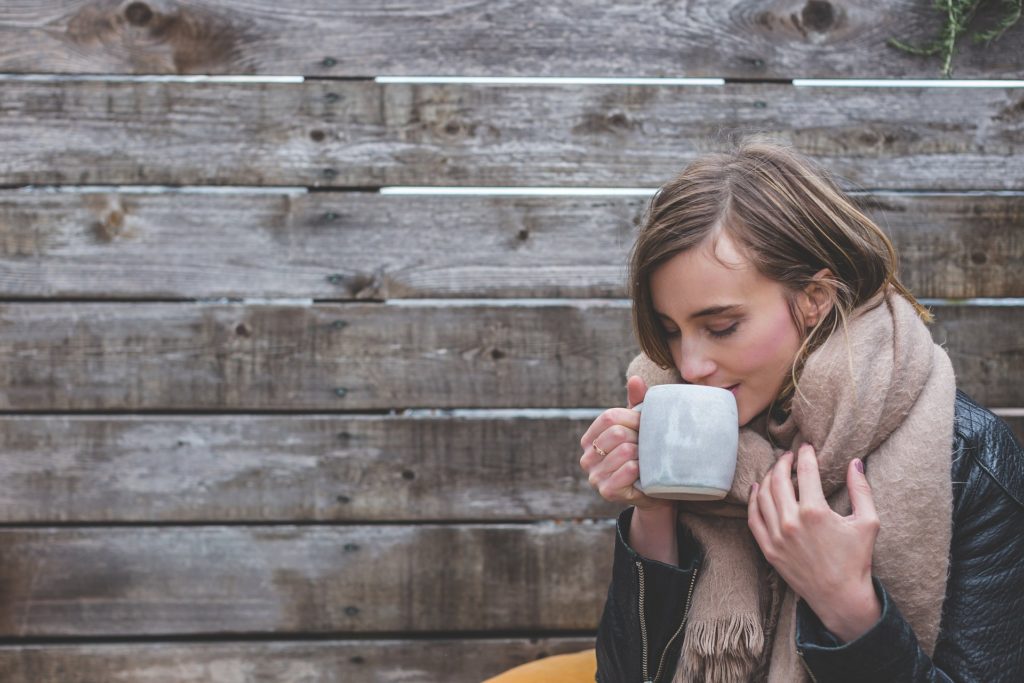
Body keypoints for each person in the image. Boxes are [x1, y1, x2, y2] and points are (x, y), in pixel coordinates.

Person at [483, 137, 1023, 683]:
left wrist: (847, 605)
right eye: (671, 331)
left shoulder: (969, 460)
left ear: (815, 298)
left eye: (721, 327)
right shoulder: (686, 435)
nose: (690, 365)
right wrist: (654, 512)